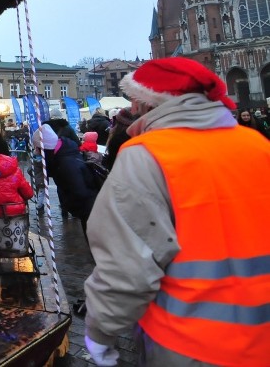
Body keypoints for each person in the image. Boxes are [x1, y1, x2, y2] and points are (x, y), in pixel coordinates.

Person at [83, 58, 270, 366]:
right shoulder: (256, 144)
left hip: (190, 343)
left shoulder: (147, 156)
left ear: (148, 102)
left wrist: (100, 331)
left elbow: (127, 268)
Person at [39, 124, 99, 233]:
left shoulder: (65, 163)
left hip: (89, 208)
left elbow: (80, 191)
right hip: (89, 207)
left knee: (94, 240)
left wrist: (70, 205)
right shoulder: (66, 153)